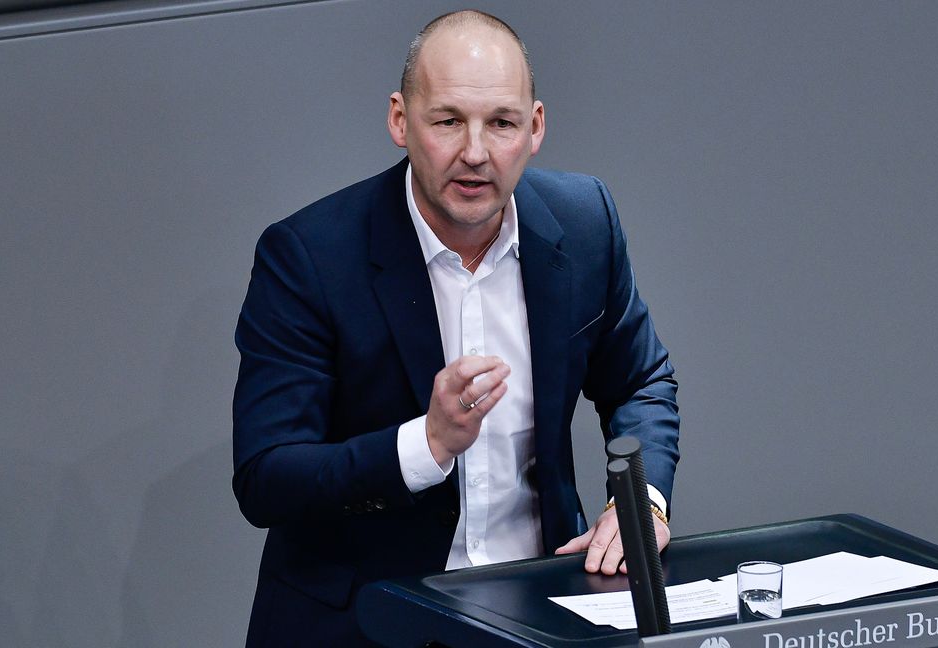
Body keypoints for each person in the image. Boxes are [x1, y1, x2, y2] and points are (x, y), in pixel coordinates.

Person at [232, 10, 679, 646]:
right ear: (399, 119)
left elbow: (643, 380)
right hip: (365, 623)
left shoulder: (584, 226)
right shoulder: (309, 256)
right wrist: (426, 445)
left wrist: (641, 504)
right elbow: (266, 477)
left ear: (535, 128)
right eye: (447, 121)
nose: (475, 153)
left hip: (540, 615)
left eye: (501, 123)